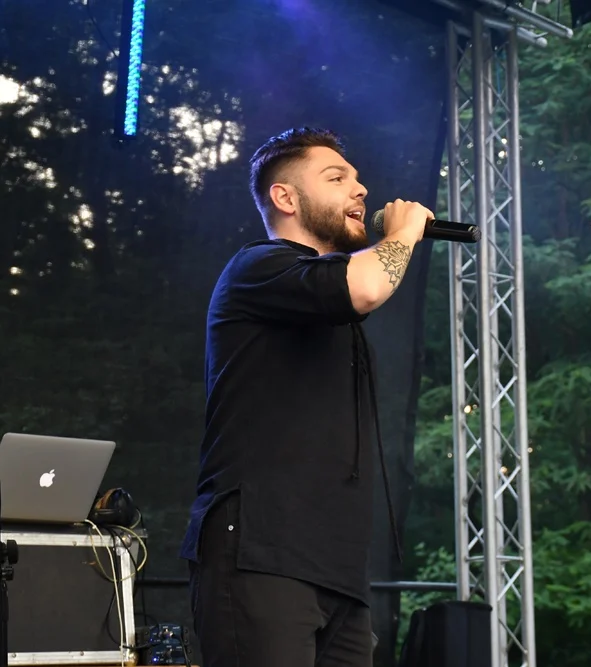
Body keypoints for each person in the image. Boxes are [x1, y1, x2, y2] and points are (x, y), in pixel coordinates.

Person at [180, 127, 432, 666]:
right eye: (337, 178)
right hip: (260, 555)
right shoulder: (257, 267)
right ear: (286, 197)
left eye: (358, 179)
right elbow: (368, 285)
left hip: (338, 572)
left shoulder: (328, 302)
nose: (360, 190)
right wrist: (405, 232)